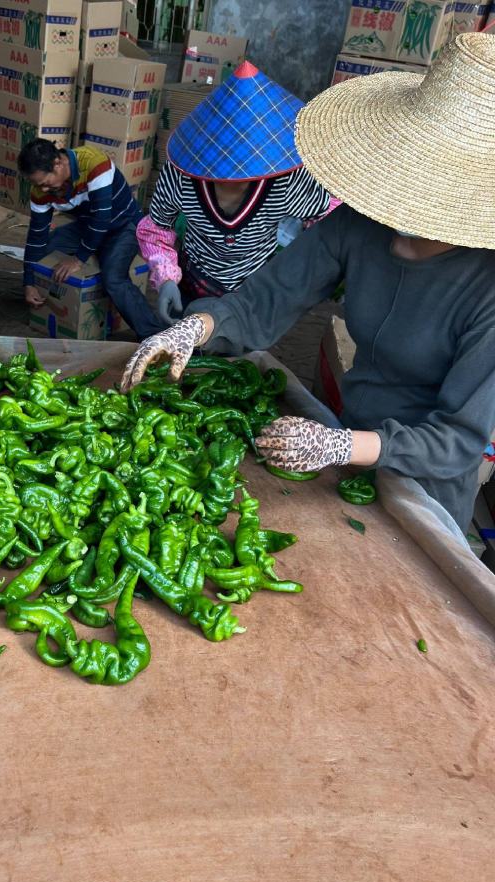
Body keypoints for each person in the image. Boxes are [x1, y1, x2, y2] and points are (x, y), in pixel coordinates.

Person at [121, 33, 495, 534]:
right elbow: (268, 299)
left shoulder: (486, 289)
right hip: (349, 433)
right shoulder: (362, 227)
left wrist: (342, 445)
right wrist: (197, 327)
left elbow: (457, 441)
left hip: (424, 481)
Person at [137, 62, 332, 324]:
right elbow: (156, 229)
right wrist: (166, 278)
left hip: (254, 288)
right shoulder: (180, 174)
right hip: (194, 280)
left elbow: (328, 221)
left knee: (242, 361)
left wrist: (292, 280)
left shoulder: (287, 182)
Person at [18, 138, 164, 340]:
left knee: (113, 277)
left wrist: (78, 259)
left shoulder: (93, 163)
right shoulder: (40, 191)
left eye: (44, 182)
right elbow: (36, 236)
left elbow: (102, 218)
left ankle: (154, 335)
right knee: (46, 251)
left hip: (123, 225)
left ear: (58, 164)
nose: (42, 189)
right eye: (36, 184)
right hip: (88, 225)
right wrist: (29, 281)